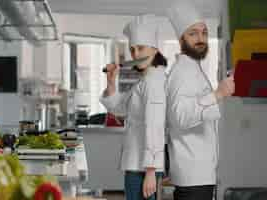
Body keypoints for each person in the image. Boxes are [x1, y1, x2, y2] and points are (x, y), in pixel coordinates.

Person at [165, 1, 235, 200]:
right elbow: (180, 116)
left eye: (204, 33)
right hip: (192, 175)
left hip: (199, 174)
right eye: (193, 33)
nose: (200, 38)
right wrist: (217, 94)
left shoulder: (193, 69)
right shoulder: (182, 73)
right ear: (181, 39)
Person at [100, 14, 167, 200]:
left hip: (143, 169)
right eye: (132, 49)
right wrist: (111, 82)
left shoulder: (154, 84)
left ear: (155, 49)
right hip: (137, 165)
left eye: (141, 48)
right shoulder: (144, 81)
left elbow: (154, 127)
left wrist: (151, 171)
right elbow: (120, 109)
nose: (136, 54)